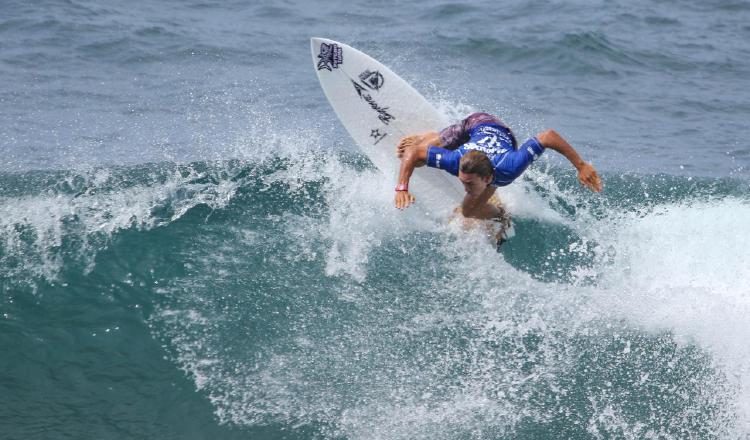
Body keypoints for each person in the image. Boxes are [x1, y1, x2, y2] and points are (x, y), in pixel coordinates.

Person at [394, 112, 602, 221]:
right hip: (474, 126)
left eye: (469, 184)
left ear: (486, 180)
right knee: (416, 158)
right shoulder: (455, 161)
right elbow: (412, 153)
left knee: (468, 212)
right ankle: (430, 136)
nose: (463, 187)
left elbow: (547, 136)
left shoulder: (510, 166)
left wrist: (580, 165)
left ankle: (502, 217)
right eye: (463, 181)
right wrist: (402, 188)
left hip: (496, 130)